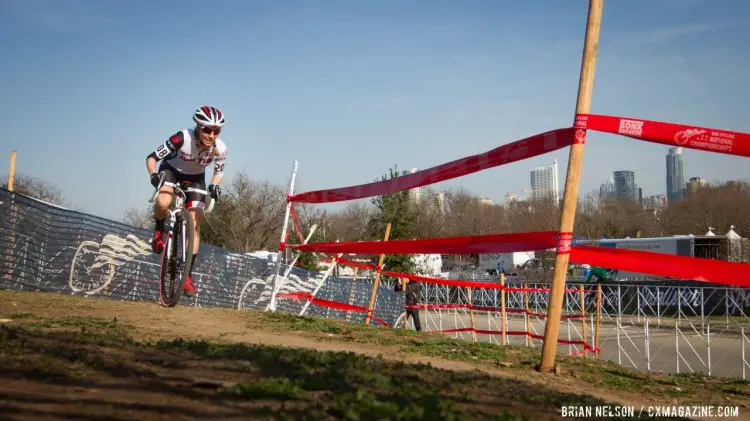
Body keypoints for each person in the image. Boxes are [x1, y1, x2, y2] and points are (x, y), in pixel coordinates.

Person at [145, 105, 227, 297]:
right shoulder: (181, 138)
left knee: (195, 223)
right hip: (171, 171)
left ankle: (187, 275)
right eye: (207, 129)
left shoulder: (220, 149)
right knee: (164, 202)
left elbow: (218, 173)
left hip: (196, 178)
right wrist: (153, 175)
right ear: (198, 127)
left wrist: (214, 185)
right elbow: (151, 157)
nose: (212, 134)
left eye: (216, 131)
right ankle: (158, 230)